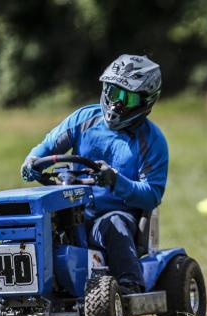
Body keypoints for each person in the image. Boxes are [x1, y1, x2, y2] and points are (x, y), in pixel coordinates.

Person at [20, 54, 168, 294]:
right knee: (33, 223)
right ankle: (23, 285)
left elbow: (152, 193)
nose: (115, 104)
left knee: (113, 224)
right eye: (112, 92)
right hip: (70, 209)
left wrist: (116, 181)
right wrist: (31, 160)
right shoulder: (84, 119)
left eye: (125, 97)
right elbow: (47, 146)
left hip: (114, 215)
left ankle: (130, 284)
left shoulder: (152, 141)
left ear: (145, 100)